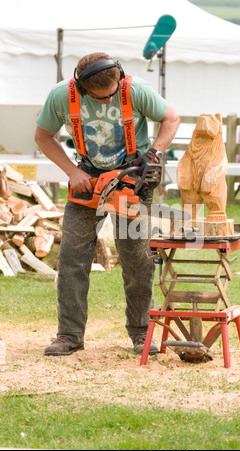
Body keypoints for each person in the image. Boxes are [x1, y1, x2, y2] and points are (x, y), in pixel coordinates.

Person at [35, 52, 180, 356]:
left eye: (110, 95)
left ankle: (142, 332)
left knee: (137, 259)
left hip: (131, 179)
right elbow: (43, 136)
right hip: (86, 179)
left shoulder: (135, 89)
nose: (105, 101)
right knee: (73, 259)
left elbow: (171, 118)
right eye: (98, 98)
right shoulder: (62, 96)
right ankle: (69, 334)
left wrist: (152, 153)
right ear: (82, 86)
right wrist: (72, 172)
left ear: (118, 78)